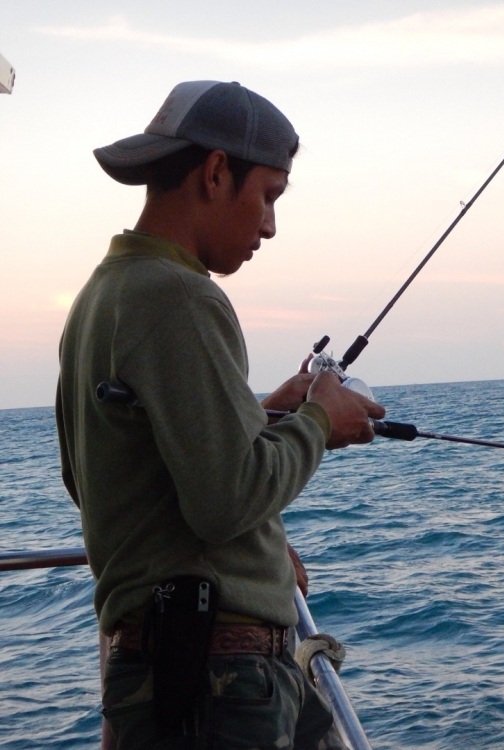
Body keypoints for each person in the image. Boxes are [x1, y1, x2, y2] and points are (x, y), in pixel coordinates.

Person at [55, 80, 385, 748]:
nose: (269, 225)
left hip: (166, 675)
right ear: (214, 172)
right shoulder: (181, 298)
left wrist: (262, 415)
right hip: (217, 684)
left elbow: (104, 473)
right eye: (268, 195)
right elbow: (227, 499)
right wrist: (320, 421)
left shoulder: (102, 295)